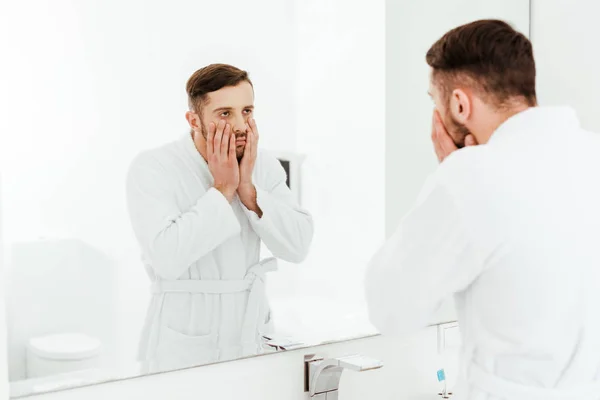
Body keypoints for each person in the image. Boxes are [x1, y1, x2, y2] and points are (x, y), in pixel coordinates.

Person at [365, 19, 600, 400]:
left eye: (434, 100)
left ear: (459, 103)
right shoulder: (593, 153)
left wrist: (451, 176)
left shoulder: (472, 177)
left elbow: (391, 308)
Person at [126, 63, 314, 371]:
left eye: (247, 111)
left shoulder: (262, 165)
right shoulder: (153, 167)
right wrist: (223, 188)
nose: (241, 125)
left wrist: (249, 191)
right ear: (193, 120)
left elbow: (298, 246)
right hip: (184, 340)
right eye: (225, 113)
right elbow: (167, 258)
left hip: (249, 330)